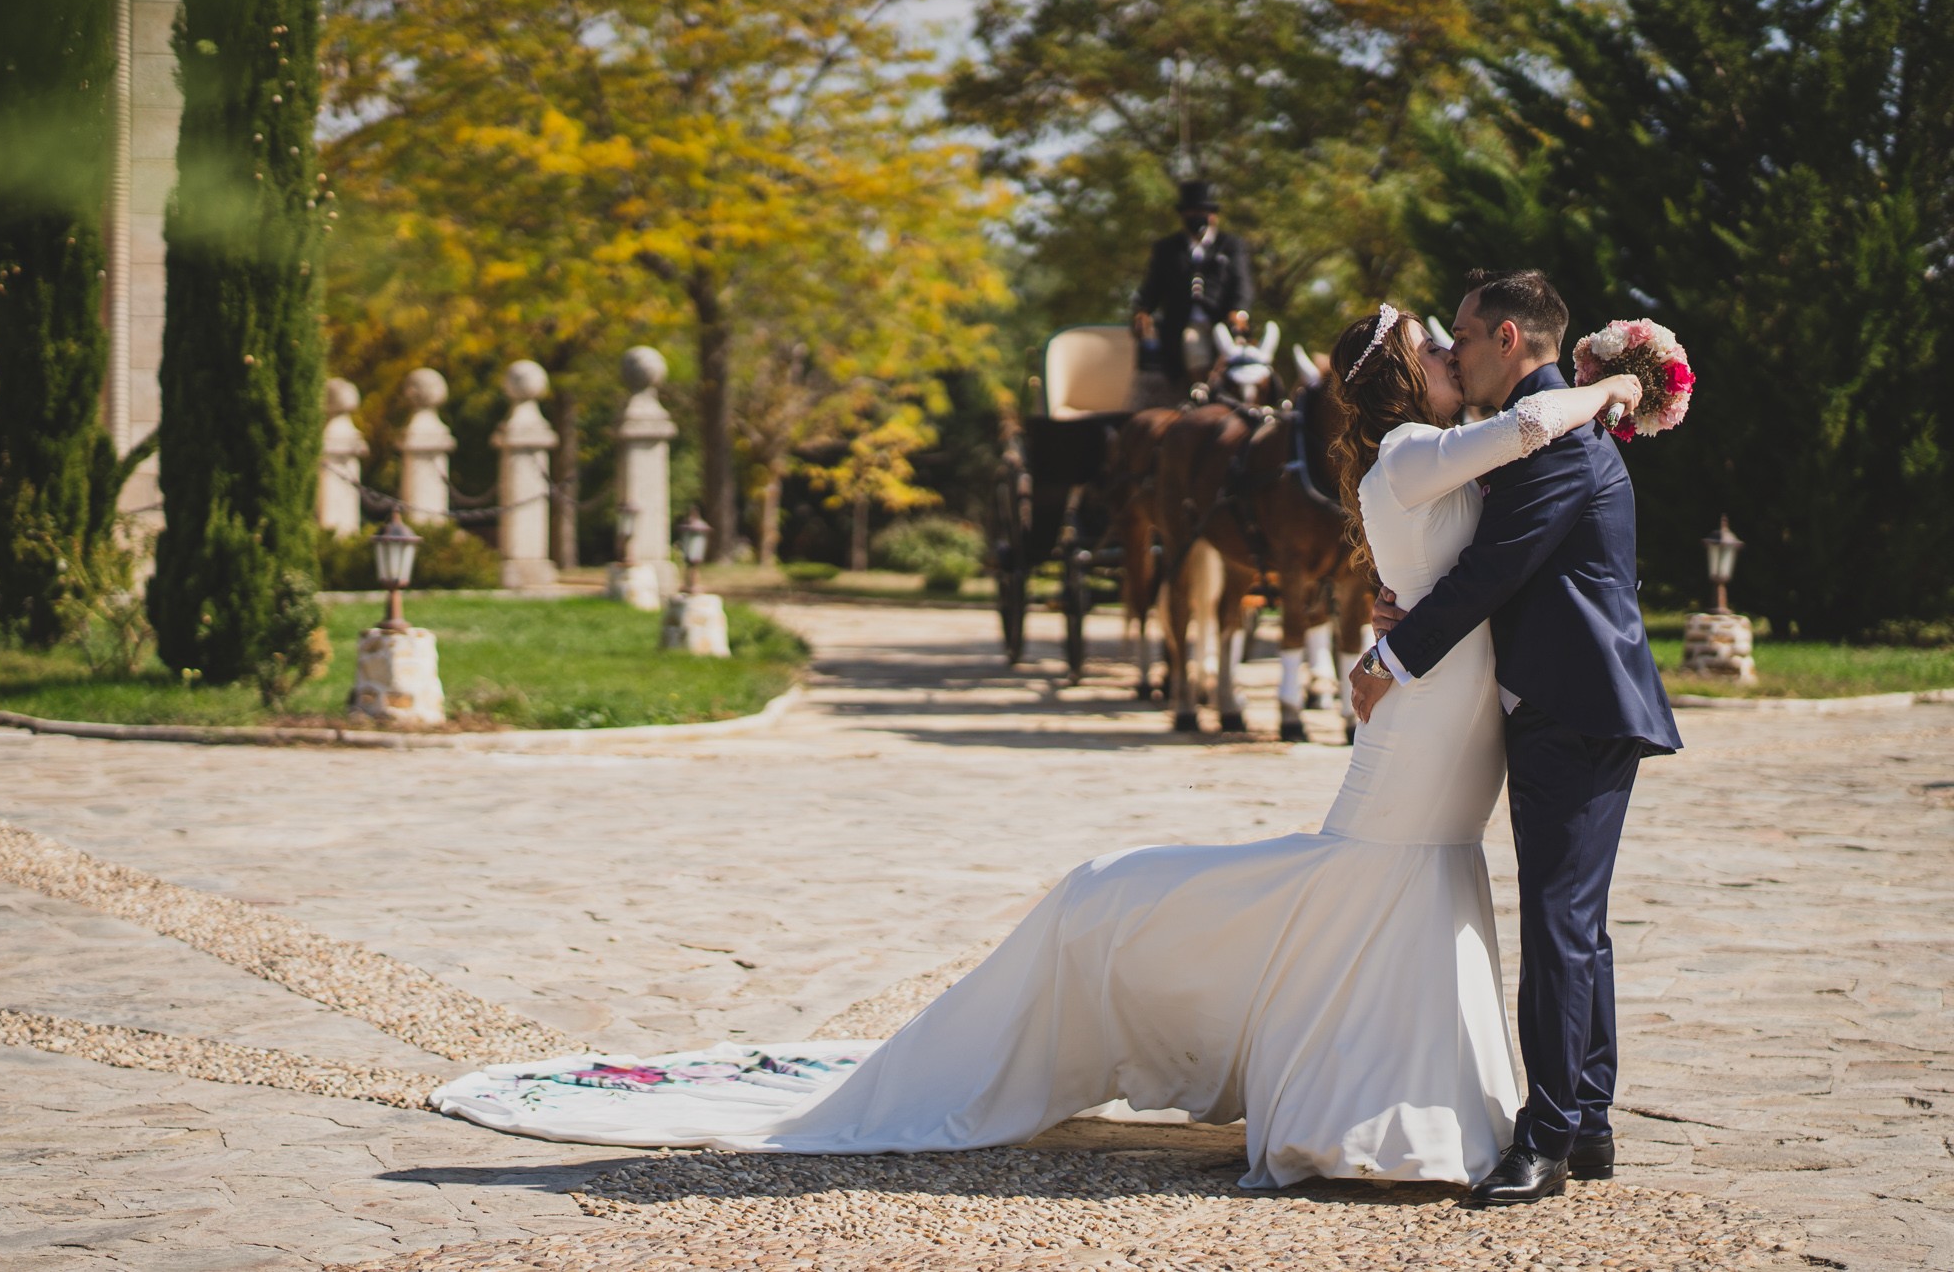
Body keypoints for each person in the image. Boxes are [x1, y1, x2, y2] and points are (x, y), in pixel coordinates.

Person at [431, 305, 1647, 1201]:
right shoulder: (1407, 454)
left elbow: (1498, 529)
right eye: (1433, 346)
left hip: (1447, 708)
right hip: (1427, 720)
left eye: (1452, 340)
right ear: (1397, 379)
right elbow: (1531, 421)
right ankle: (1310, 1072)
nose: (1449, 353)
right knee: (1375, 877)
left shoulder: (1437, 448)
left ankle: (1406, 1104)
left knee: (1402, 885)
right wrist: (1620, 379)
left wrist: (1399, 605)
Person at [1350, 269, 1682, 1205]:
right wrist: (1399, 601)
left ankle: (1546, 1137)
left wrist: (1390, 655)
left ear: (1506, 338)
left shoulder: (1559, 439)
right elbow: (1479, 555)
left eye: (1460, 336)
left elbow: (1494, 567)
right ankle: (1589, 1121)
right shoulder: (1538, 430)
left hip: (1574, 703)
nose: (1452, 353)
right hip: (1572, 700)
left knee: (1559, 921)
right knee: (1577, 921)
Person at [1131, 179, 1253, 388]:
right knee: (1192, 342)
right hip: (1184, 323)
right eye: (1192, 211)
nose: (1197, 216)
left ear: (1213, 215)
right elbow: (1152, 286)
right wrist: (1143, 310)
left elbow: (1242, 283)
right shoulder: (1167, 249)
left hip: (1223, 322)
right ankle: (1201, 391)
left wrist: (1239, 312)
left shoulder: (1231, 245)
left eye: (1202, 211)